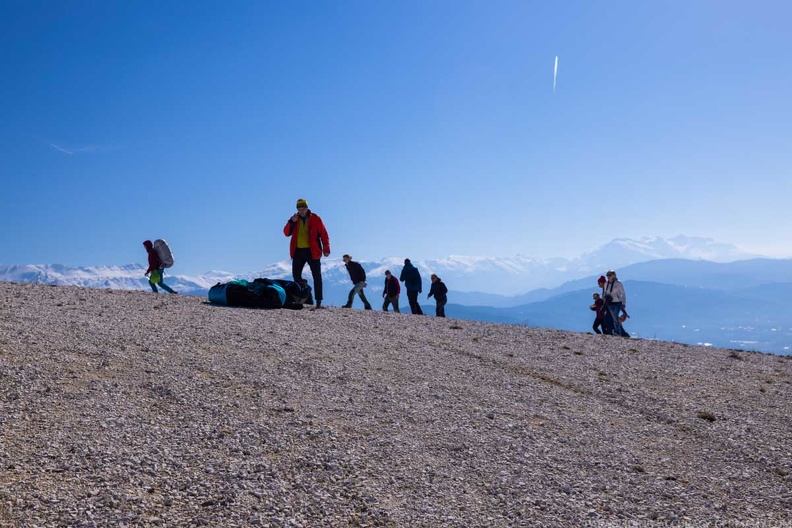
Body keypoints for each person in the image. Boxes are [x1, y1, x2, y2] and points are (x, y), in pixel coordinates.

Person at [283, 198, 330, 308]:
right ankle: (302, 298)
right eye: (299, 209)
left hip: (312, 251)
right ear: (297, 209)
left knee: (317, 276)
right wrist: (291, 222)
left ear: (307, 208)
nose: (301, 211)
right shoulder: (294, 219)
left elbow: (324, 234)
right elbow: (286, 233)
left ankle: (318, 302)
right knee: (296, 276)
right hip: (298, 251)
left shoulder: (315, 218)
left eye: (303, 208)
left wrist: (326, 248)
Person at [603, 270, 627, 337]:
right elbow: (605, 293)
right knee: (612, 317)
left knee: (615, 317)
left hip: (617, 303)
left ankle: (618, 332)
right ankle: (613, 332)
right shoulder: (606, 283)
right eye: (607, 275)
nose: (608, 277)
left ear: (614, 275)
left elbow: (623, 293)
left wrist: (624, 303)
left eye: (610, 275)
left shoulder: (618, 283)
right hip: (609, 303)